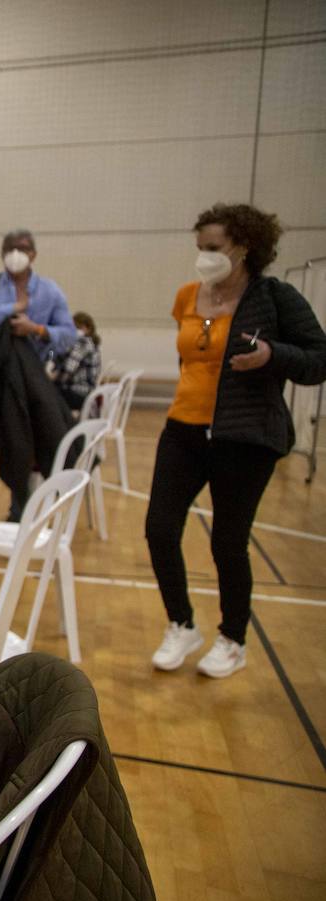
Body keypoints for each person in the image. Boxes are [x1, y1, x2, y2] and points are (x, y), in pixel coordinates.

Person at [146, 203, 326, 679]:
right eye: (199, 247)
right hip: (183, 428)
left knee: (228, 542)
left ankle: (232, 639)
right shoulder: (187, 296)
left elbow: (318, 359)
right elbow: (191, 358)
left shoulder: (274, 297)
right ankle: (181, 624)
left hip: (245, 436)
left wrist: (272, 355)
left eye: (214, 247)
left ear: (244, 247)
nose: (204, 256)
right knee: (159, 529)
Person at [0, 229, 75, 543]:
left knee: (23, 447)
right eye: (9, 248)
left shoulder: (49, 291)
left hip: (28, 384)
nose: (15, 253)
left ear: (33, 254)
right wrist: (15, 307)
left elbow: (68, 334)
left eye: (21, 248)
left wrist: (35, 328)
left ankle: (19, 517)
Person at [54, 310, 103, 411]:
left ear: (88, 328)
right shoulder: (92, 342)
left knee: (46, 395)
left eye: (78, 328)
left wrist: (52, 378)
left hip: (80, 392)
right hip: (87, 391)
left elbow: (68, 369)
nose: (74, 331)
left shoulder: (83, 343)